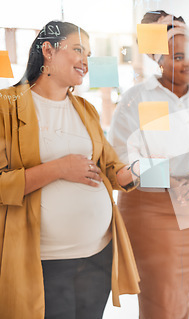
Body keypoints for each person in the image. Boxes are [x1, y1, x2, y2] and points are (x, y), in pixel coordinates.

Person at [0, 21, 140, 319]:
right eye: (78, 49)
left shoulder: (85, 109)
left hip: (98, 256)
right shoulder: (6, 106)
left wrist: (142, 166)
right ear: (48, 50)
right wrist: (59, 168)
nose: (86, 60)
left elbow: (112, 170)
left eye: (88, 53)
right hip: (44, 261)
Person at [108, 11, 189, 319]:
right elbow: (121, 166)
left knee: (179, 299)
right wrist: (174, 179)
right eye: (178, 56)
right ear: (158, 59)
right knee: (161, 303)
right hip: (151, 214)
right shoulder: (134, 100)